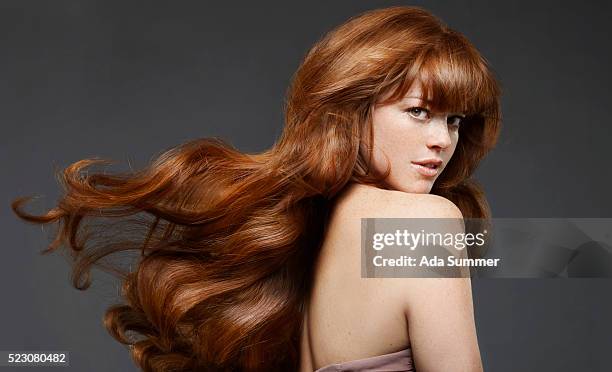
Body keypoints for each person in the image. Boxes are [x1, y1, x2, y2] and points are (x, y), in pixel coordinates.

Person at [12, 5, 501, 372]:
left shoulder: (318, 227)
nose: (441, 141)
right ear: (354, 106)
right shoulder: (424, 223)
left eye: (454, 120)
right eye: (419, 112)